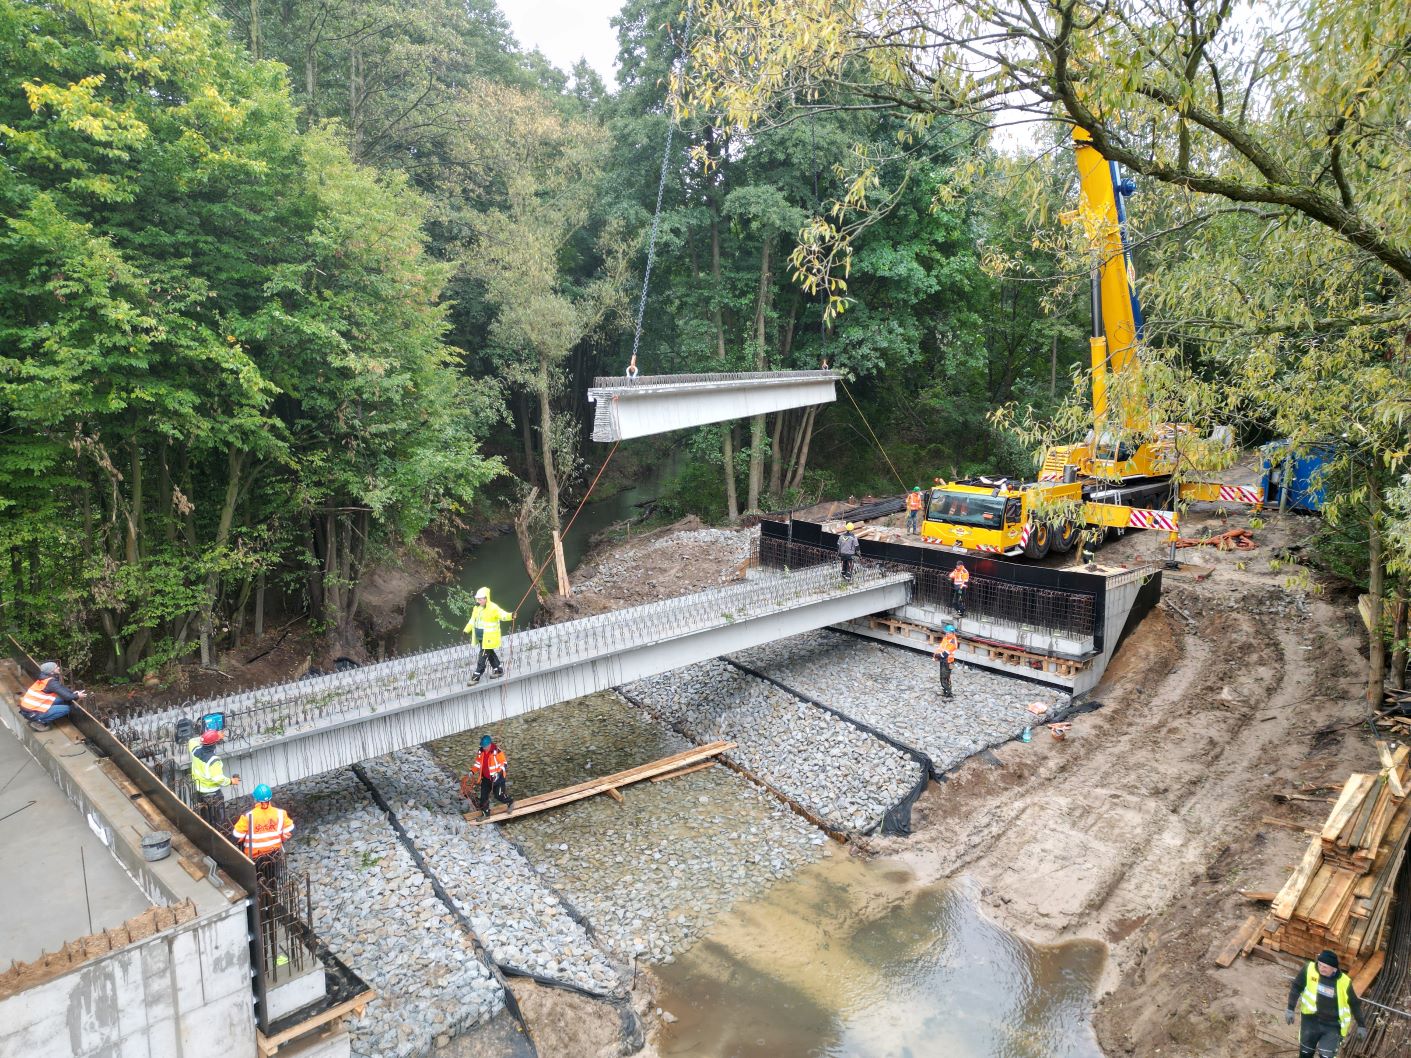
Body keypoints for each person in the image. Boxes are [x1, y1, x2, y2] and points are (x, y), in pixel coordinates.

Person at [1286, 950, 1366, 1057]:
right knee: (1305, 1053)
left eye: (1325, 967)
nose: (1321, 968)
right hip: (1310, 1021)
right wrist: (1290, 1009)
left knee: (1326, 1056)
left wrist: (1361, 1025)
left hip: (1332, 1026)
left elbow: (1354, 1004)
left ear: (1334, 968)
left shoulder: (1344, 982)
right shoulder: (1309, 970)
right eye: (1320, 965)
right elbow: (1296, 987)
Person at [233, 784, 294, 891]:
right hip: (274, 855)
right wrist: (281, 839)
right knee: (272, 881)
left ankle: (261, 901)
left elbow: (237, 836)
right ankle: (272, 901)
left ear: (255, 799)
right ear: (270, 798)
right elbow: (290, 830)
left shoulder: (248, 816)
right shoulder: (280, 813)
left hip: (254, 857)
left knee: (257, 883)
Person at [189, 726, 239, 827]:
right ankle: (219, 833)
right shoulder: (213, 761)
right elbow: (219, 779)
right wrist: (231, 781)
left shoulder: (195, 751)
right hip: (213, 793)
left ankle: (207, 830)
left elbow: (192, 740)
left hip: (199, 790)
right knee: (219, 821)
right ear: (214, 744)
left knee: (205, 818)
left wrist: (211, 737)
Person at [18, 661, 87, 731]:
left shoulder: (45, 677)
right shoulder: (50, 682)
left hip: (29, 707)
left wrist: (73, 693)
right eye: (56, 667)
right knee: (66, 709)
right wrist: (77, 696)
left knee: (61, 699)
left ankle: (44, 715)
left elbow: (60, 688)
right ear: (51, 672)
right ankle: (39, 722)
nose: (58, 668)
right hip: (31, 712)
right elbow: (68, 697)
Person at [464, 587, 514, 684]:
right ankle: (498, 670)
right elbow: (472, 620)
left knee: (482, 656)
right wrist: (466, 630)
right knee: (490, 653)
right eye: (477, 599)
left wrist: (511, 616)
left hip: (489, 637)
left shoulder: (493, 608)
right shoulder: (476, 608)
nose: (478, 601)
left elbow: (502, 615)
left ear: (486, 598)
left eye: (480, 599)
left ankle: (476, 676)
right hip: (481, 637)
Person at [467, 734, 513, 818]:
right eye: (482, 746)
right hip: (486, 779)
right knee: (483, 797)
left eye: (485, 746)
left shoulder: (497, 752)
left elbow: (504, 764)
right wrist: (472, 771)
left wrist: (498, 773)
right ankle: (486, 813)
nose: (483, 748)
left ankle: (510, 802)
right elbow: (477, 763)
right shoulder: (481, 752)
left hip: (498, 779)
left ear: (489, 745)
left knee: (498, 795)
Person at [933, 624, 959, 699]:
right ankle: (945, 690)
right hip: (943, 660)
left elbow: (945, 654)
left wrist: (937, 656)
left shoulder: (953, 642)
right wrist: (936, 654)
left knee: (946, 677)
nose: (946, 634)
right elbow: (940, 648)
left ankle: (949, 693)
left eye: (948, 633)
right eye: (946, 633)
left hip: (948, 661)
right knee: (942, 676)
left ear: (952, 633)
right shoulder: (946, 638)